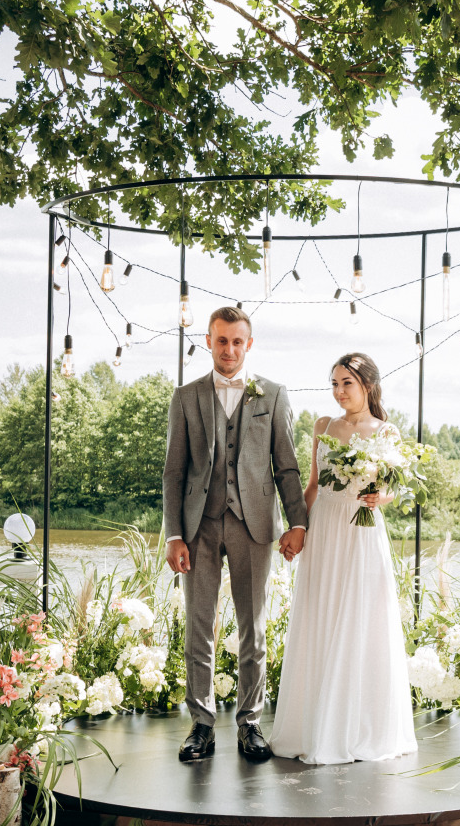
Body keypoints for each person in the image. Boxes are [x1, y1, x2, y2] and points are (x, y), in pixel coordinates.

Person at [163, 306, 309, 762]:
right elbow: (173, 471)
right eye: (221, 340)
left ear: (249, 344)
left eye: (237, 341)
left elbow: (287, 468)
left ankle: (250, 724)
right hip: (198, 525)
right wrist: (173, 535)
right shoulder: (185, 397)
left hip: (256, 524)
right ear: (208, 341)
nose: (229, 349)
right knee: (199, 626)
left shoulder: (275, 395)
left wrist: (298, 522)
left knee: (254, 627)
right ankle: (201, 725)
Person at [270, 353, 418, 765]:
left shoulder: (387, 432)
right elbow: (314, 483)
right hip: (325, 528)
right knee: (321, 615)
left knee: (361, 620)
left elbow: (393, 491)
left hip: (362, 530)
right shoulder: (324, 426)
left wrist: (380, 497)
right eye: (334, 383)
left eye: (346, 383)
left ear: (367, 384)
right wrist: (297, 528)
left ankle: (356, 729)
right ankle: (312, 725)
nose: (338, 392)